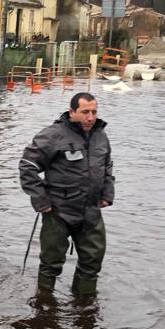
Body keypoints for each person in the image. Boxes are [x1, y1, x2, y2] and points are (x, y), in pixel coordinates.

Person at [18, 92, 114, 296]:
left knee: (92, 261)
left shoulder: (101, 136)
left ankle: (84, 305)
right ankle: (44, 305)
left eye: (94, 112)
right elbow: (27, 166)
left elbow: (107, 166)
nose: (90, 117)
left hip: (90, 211)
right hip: (58, 211)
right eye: (85, 112)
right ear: (72, 112)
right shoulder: (53, 135)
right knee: (50, 262)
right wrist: (41, 201)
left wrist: (107, 193)